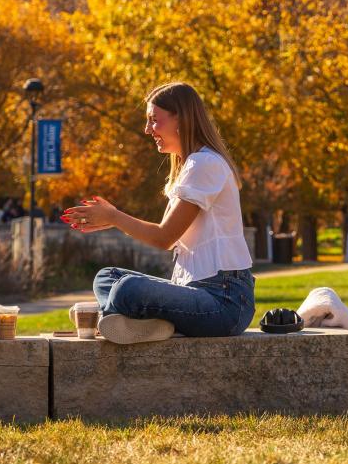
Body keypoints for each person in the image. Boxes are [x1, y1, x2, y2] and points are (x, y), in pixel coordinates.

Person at [63, 82, 255, 344]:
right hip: (196, 293)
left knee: (128, 290)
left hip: (225, 303)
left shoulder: (205, 163)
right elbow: (168, 236)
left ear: (182, 119)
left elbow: (164, 237)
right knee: (108, 277)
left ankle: (113, 317)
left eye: (154, 120)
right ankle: (137, 322)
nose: (147, 129)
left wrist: (115, 217)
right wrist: (113, 220)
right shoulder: (192, 166)